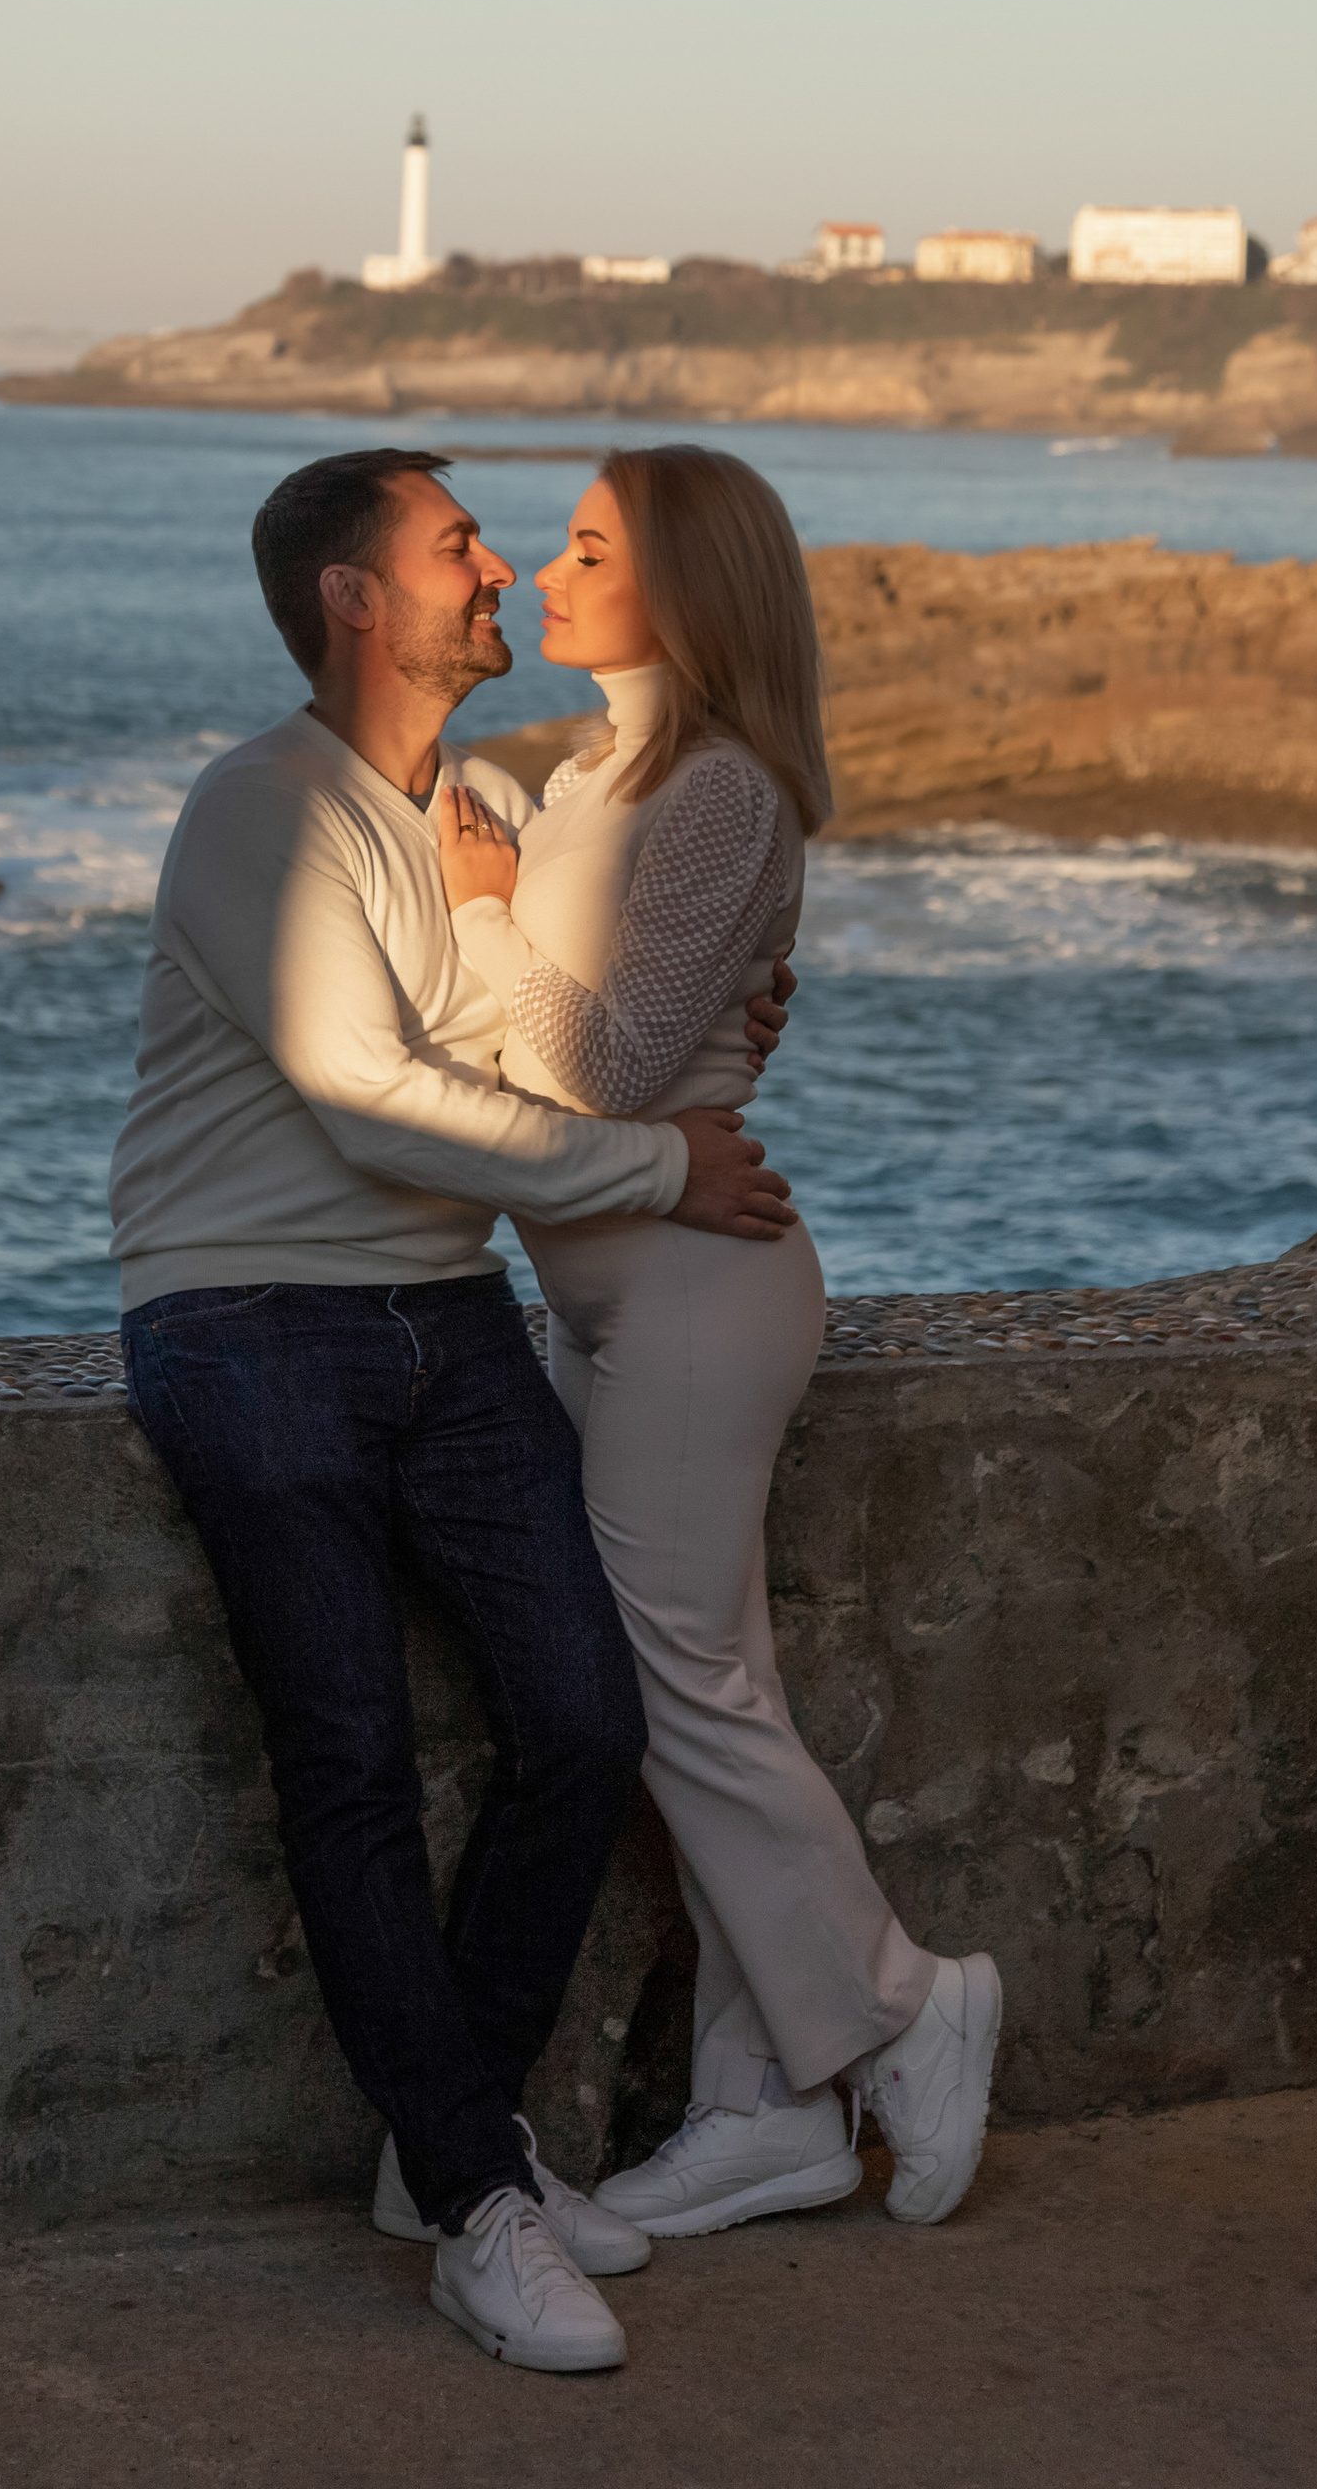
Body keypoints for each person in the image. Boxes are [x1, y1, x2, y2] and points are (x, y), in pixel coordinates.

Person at [110, 447, 800, 2376]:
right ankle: (485, 2201)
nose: (497, 566)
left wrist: (726, 1023)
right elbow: (366, 1093)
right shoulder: (263, 810)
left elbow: (547, 1045)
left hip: (446, 1312)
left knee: (584, 1720)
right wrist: (663, 1169)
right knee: (347, 1761)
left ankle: (451, 2151)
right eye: (454, 544)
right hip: (248, 1317)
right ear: (353, 599)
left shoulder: (475, 807)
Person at [434, 442, 1002, 2241]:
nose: (544, 571)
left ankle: (907, 2003)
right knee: (710, 1686)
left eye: (589, 547)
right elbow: (556, 1038)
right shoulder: (584, 777)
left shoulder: (722, 792)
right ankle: (769, 2108)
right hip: (611, 1286)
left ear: (686, 585)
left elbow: (596, 1065)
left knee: (674, 1685)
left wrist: (476, 906)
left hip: (697, 1284)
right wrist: (499, 904)